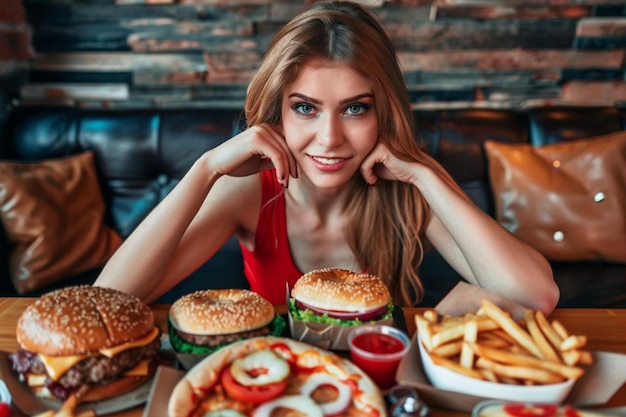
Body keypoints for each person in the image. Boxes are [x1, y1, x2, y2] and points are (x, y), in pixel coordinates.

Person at [94, 0, 558, 313]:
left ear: (383, 114)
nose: (330, 138)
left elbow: (536, 295)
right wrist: (205, 168)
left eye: (355, 108)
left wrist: (428, 178)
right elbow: (106, 303)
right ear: (277, 113)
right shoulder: (247, 192)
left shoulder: (408, 185)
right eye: (305, 109)